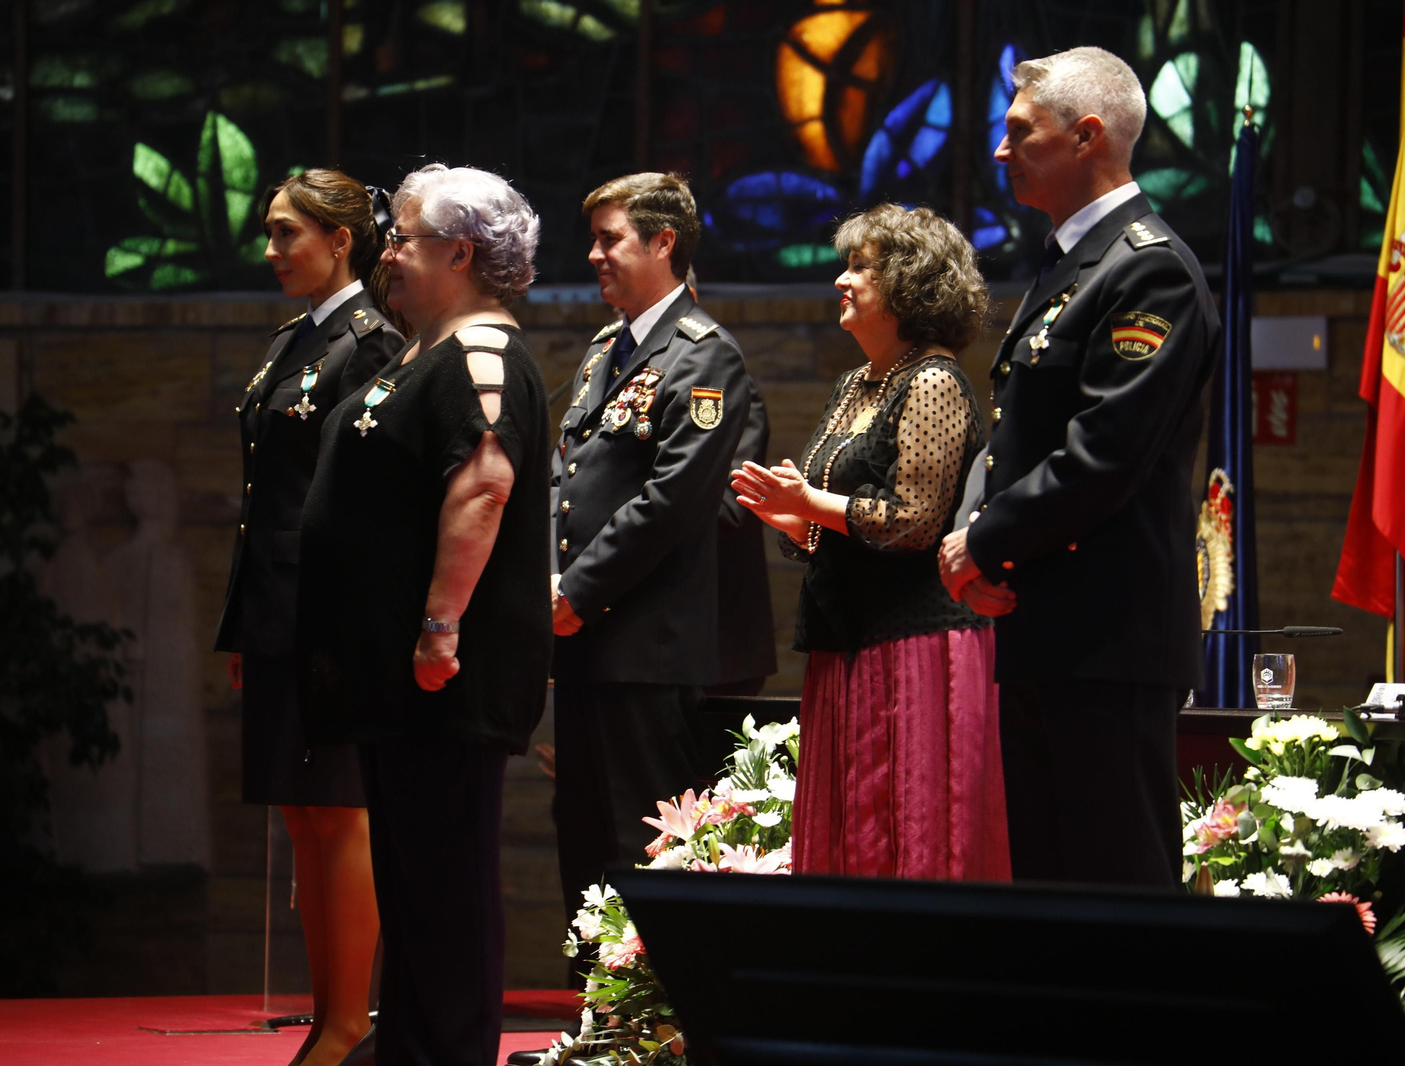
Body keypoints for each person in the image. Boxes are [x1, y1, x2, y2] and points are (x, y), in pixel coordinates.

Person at [937, 46, 1220, 890]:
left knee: (1116, 891)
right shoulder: (1071, 264)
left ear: (1087, 135)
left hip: (1109, 636)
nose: (999, 149)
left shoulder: (1149, 269)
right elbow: (1010, 431)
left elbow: (1104, 453)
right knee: (1054, 897)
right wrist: (972, 540)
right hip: (1044, 624)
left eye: (1019, 131)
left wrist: (986, 543)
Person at [297, 164, 550, 1066]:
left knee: (442, 881)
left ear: (460, 252)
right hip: (391, 674)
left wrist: (440, 626)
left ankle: (444, 1052)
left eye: (404, 238)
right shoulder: (424, 347)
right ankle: (407, 1047)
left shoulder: (482, 353)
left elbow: (484, 483)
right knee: (412, 882)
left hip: (440, 672)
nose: (389, 253)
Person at [731, 205, 1009, 880]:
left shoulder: (935, 378)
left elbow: (914, 521)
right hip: (847, 639)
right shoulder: (856, 383)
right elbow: (850, 522)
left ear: (911, 286)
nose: (840, 281)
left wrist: (811, 503)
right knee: (846, 839)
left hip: (916, 647)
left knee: (914, 835)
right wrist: (797, 522)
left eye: (860, 267)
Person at [214, 169, 404, 1066]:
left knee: (341, 810)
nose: (272, 249)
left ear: (340, 240)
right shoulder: (298, 340)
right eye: (271, 232)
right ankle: (326, 1014)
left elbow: (366, 503)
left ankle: (348, 1025)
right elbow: (266, 499)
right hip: (278, 612)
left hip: (331, 615)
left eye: (288, 232)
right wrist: (240, 626)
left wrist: (351, 625)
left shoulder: (369, 344)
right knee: (302, 814)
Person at [550, 173, 758, 929]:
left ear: (662, 242)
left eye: (611, 239)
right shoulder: (609, 347)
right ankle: (595, 1023)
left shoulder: (704, 356)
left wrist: (576, 589)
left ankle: (658, 1033)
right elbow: (566, 474)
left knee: (644, 834)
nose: (595, 255)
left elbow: (672, 500)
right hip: (581, 639)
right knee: (580, 830)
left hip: (646, 642)